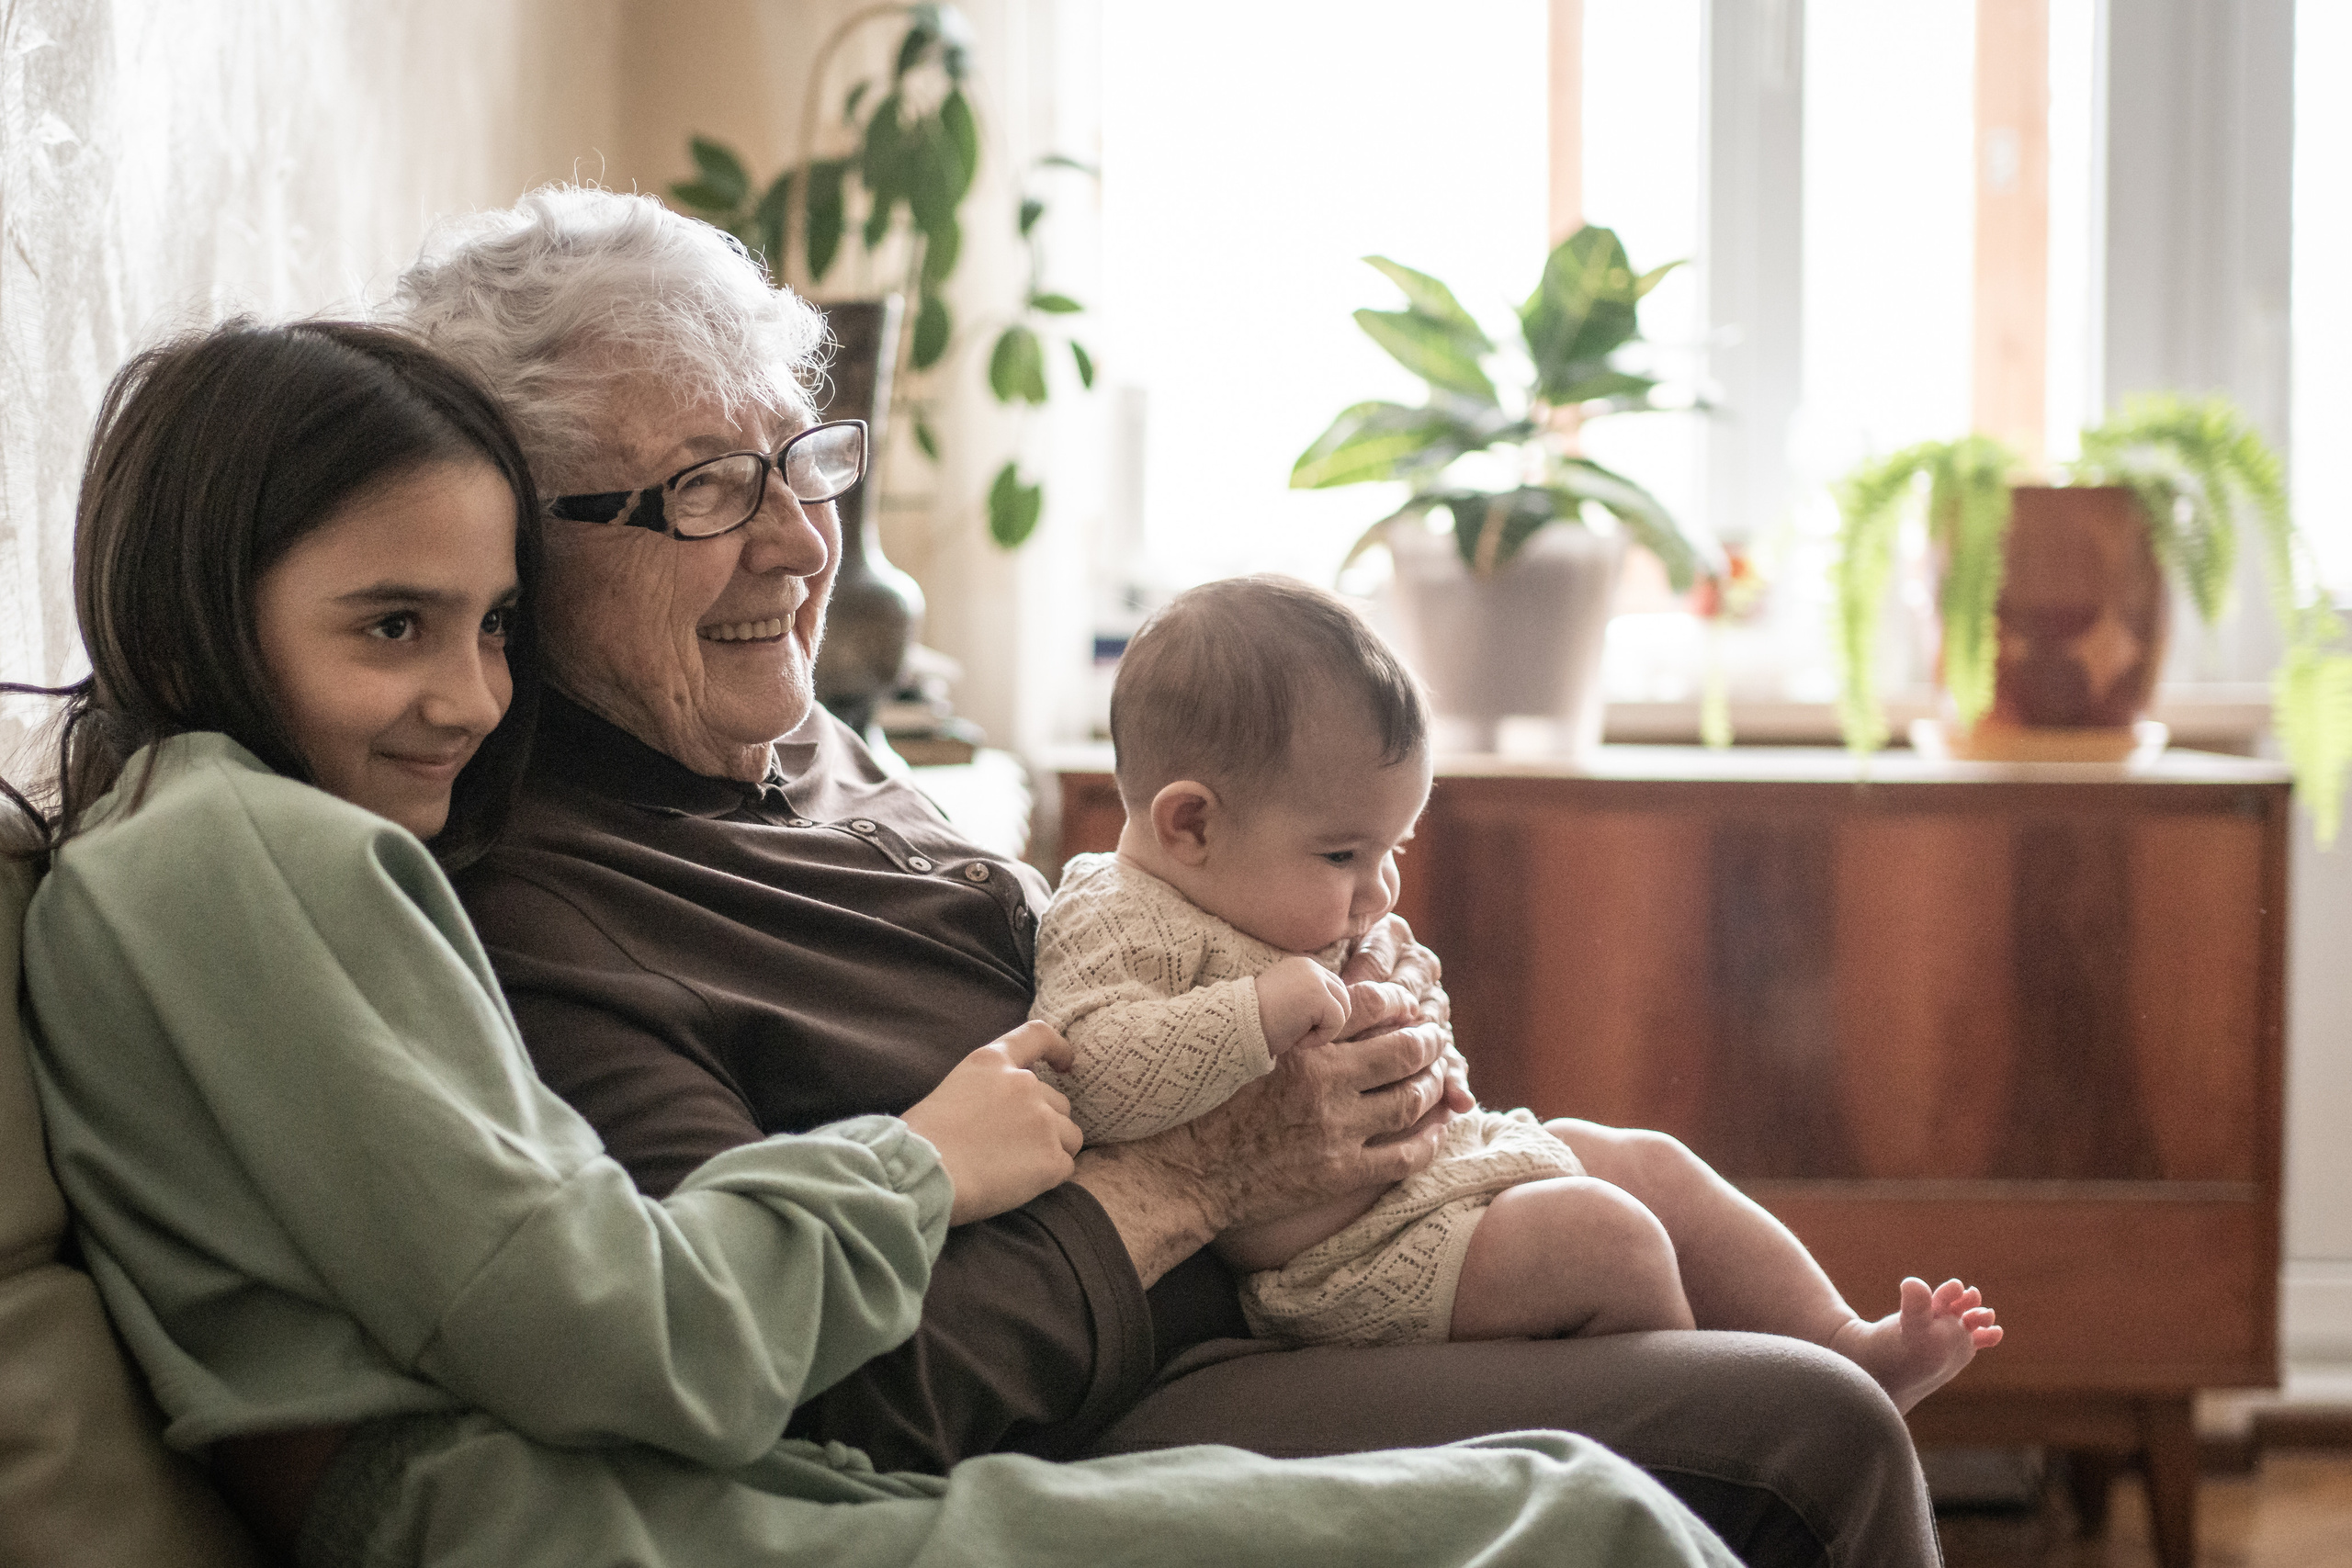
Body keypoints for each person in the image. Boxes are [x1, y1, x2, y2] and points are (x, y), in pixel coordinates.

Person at [14, 319, 1737, 1568]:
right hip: (588, 1522)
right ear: (199, 598)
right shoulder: (252, 853)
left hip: (667, 1497)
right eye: (392, 626)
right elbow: (631, 1334)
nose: (468, 698)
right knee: (1584, 1519)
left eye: (487, 628)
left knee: (1591, 1481)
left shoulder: (222, 847)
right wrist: (926, 1161)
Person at [402, 185, 1945, 1566]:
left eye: (798, 458)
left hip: (1280, 1275)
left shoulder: (803, 745)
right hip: (1120, 1392)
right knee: (1813, 1432)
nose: (803, 541)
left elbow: (1115, 952)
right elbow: (818, 1386)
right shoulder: (553, 920)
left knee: (1678, 1218)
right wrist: (1200, 1180)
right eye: (703, 490)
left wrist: (1342, 982)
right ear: (515, 554)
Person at [1030, 575, 2004, 1411]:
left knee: (1645, 1163)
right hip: (1338, 1267)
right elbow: (1092, 1073)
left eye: (1391, 851)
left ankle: (1842, 1349)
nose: (1378, 889)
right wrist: (1265, 1009)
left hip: (1453, 1175)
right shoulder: (1113, 914)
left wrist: (1406, 1006)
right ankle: (1697, 1455)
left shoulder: (1289, 902)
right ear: (1189, 823)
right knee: (1606, 1239)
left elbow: (1410, 1050)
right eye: (1341, 853)